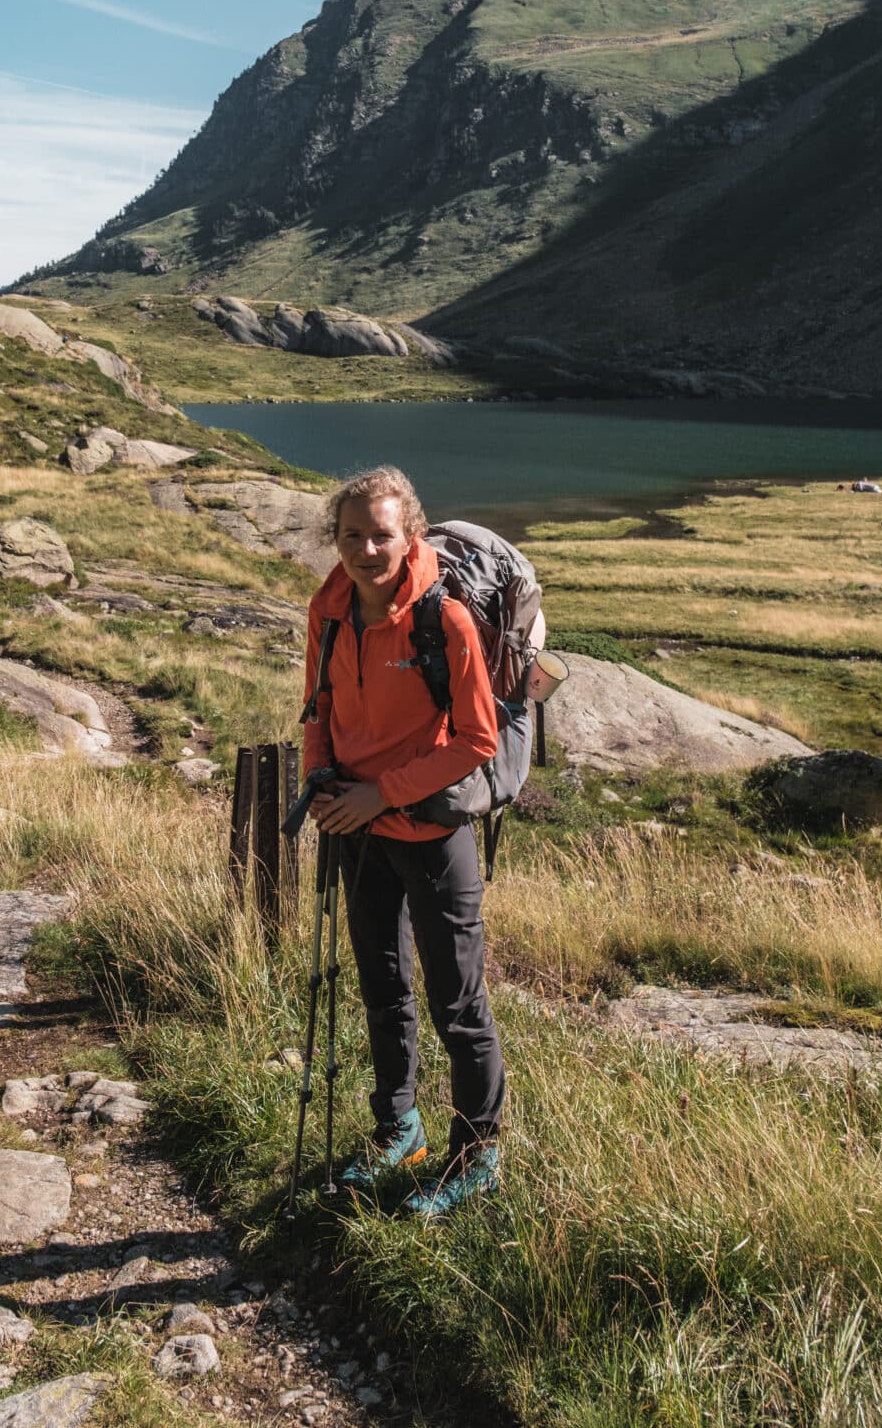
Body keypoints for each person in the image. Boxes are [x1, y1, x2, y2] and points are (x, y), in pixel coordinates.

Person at [302, 464, 505, 1217]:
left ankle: (476, 1155)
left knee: (457, 1003)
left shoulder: (441, 620)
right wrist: (323, 781)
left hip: (427, 830)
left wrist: (377, 793)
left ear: (408, 535)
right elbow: (315, 709)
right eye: (351, 535)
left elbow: (477, 739)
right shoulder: (326, 613)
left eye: (380, 535)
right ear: (337, 539)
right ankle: (399, 1128)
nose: (365, 549)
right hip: (354, 830)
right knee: (381, 988)